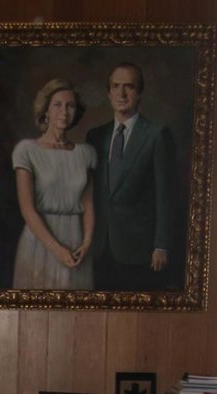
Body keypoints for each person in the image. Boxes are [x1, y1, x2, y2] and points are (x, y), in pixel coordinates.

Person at [85, 62, 176, 292]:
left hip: (140, 250)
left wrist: (161, 246)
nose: (121, 93)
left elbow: (165, 196)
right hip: (100, 246)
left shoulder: (156, 135)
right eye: (115, 86)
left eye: (129, 87)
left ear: (140, 93)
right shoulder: (95, 136)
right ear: (108, 93)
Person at [11, 79, 96, 289]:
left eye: (70, 106)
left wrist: (86, 243)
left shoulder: (85, 153)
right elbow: (27, 209)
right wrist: (56, 249)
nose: (64, 112)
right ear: (46, 110)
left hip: (76, 240)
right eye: (57, 105)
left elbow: (88, 205)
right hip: (39, 241)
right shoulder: (27, 150)